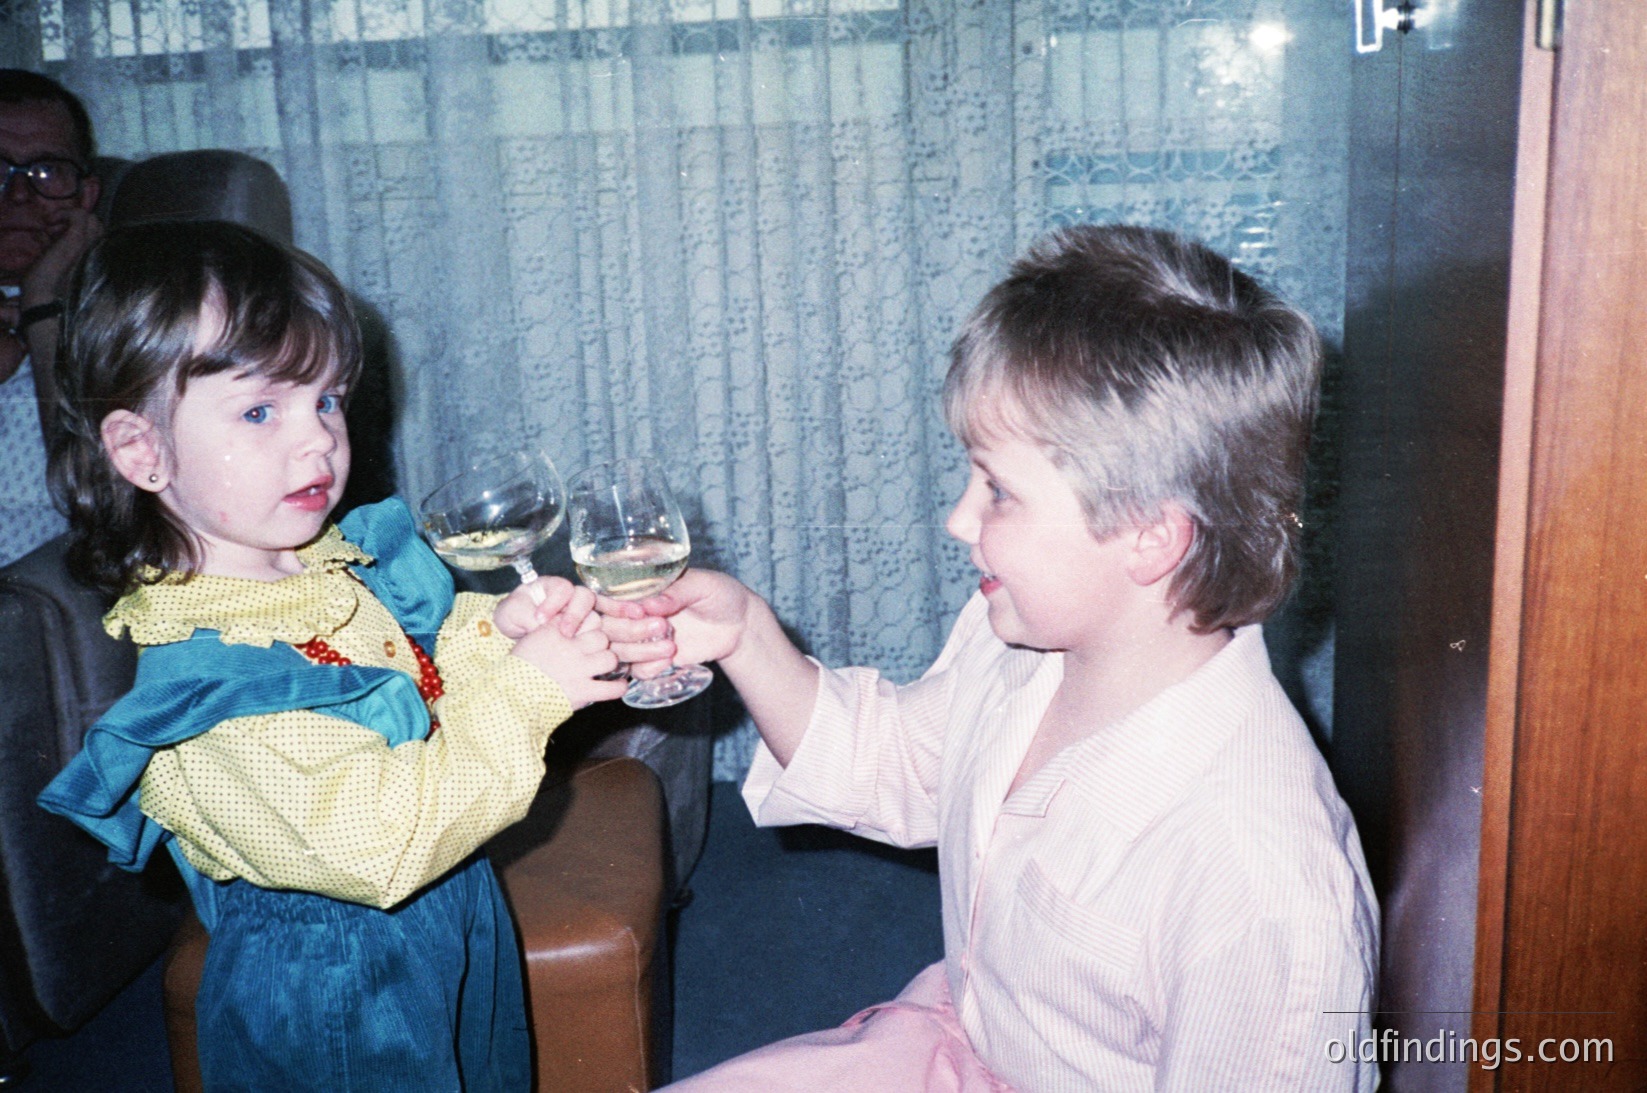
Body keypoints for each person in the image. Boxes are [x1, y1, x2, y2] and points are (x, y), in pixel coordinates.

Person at [608, 225, 1379, 1090]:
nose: (958, 519)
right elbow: (896, 763)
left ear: (1150, 537)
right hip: (972, 1034)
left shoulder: (1257, 879)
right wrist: (746, 633)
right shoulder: (1029, 639)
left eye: (999, 490)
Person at [38, 219, 629, 1090]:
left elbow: (406, 690)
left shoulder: (315, 566)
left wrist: (499, 639)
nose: (318, 439)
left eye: (327, 399)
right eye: (259, 410)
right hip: (341, 987)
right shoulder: (210, 685)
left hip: (446, 902)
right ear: (141, 450)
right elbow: (381, 841)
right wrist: (529, 692)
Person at [0, 68, 101, 564]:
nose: (19, 195)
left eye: (48, 171)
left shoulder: (124, 316)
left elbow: (97, 503)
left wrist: (41, 311)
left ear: (86, 196)